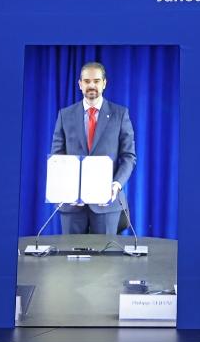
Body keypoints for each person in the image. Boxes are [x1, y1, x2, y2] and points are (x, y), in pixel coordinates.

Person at [51, 61, 136, 235]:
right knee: (70, 260)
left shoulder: (120, 114)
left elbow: (128, 156)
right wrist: (67, 188)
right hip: (71, 204)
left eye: (96, 81)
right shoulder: (64, 115)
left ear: (104, 84)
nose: (92, 85)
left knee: (106, 261)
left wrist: (116, 185)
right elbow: (57, 157)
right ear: (80, 84)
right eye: (87, 81)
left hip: (107, 204)